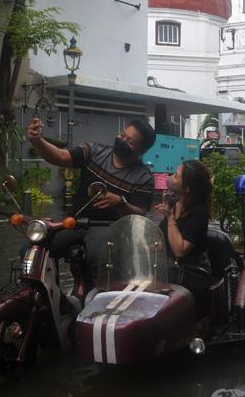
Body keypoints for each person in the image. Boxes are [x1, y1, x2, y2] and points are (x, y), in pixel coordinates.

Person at [25, 116, 156, 279]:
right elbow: (60, 156)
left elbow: (139, 215)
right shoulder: (94, 151)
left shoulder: (143, 178)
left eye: (129, 142)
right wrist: (37, 141)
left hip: (107, 227)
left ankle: (99, 298)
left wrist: (120, 202)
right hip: (75, 221)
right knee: (36, 247)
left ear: (141, 151)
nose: (122, 140)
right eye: (122, 135)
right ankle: (49, 295)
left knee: (99, 257)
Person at [155, 160, 213, 291]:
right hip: (169, 270)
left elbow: (180, 250)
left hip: (191, 276)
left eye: (175, 176)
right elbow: (160, 237)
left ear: (187, 188)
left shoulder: (199, 212)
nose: (170, 177)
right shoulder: (174, 203)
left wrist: (170, 218)